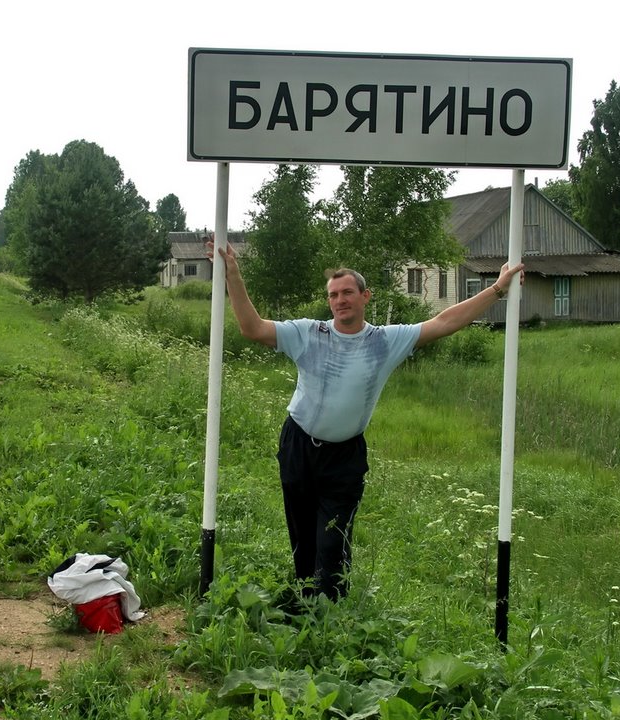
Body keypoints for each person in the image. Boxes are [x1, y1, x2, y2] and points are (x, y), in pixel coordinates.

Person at [207, 240, 524, 601]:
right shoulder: (308, 333)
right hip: (298, 445)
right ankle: (305, 602)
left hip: (344, 458)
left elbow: (444, 321)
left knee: (332, 540)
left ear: (365, 296)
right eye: (333, 295)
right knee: (302, 533)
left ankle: (332, 612)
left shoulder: (385, 342)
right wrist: (232, 274)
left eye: (347, 293)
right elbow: (252, 327)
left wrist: (497, 289)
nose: (340, 300)